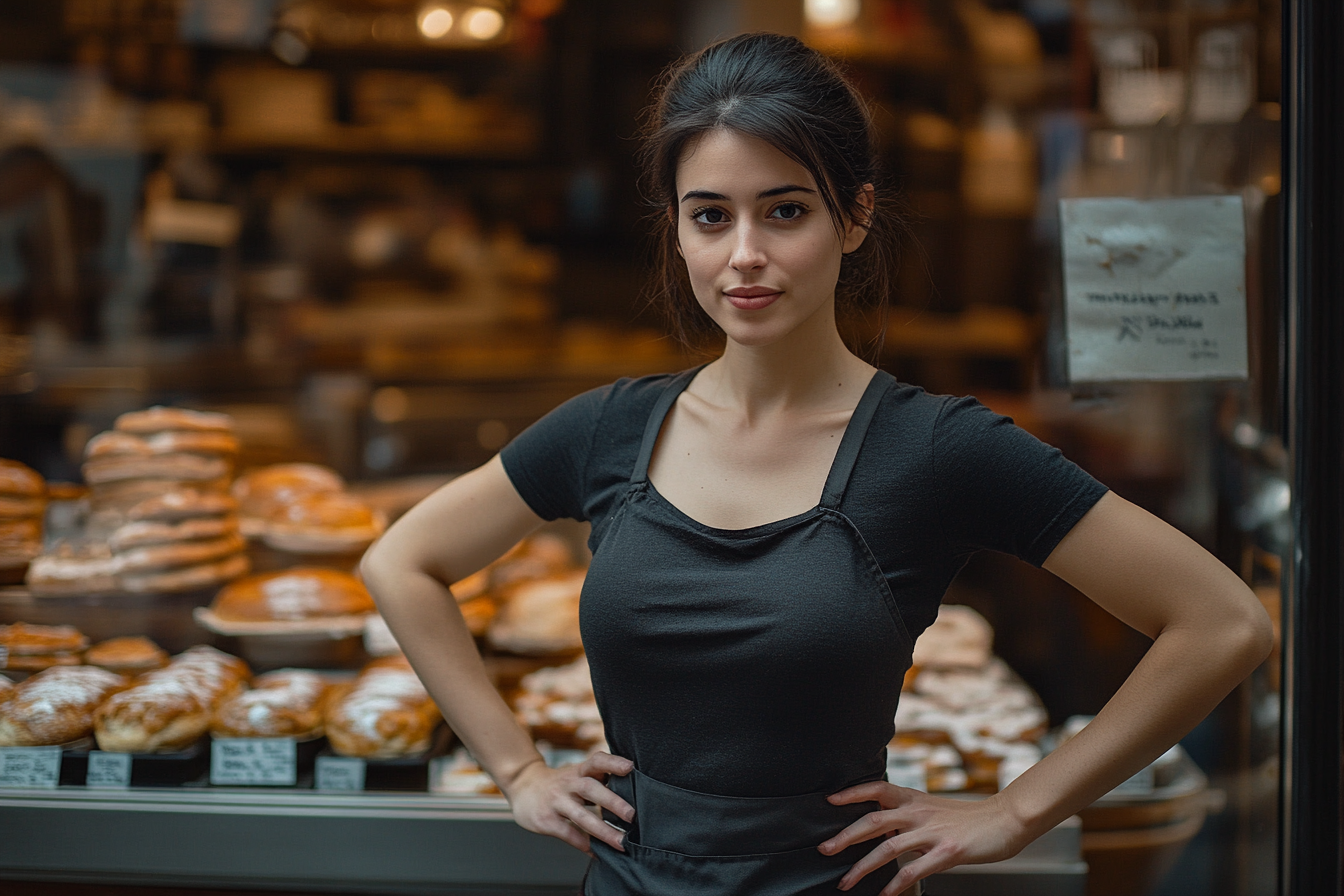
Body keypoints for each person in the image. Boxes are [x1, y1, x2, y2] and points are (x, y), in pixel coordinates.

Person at [361, 32, 1274, 896]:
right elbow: (402, 562)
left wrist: (1017, 812)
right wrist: (518, 771)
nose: (745, 256)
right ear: (676, 232)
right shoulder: (610, 429)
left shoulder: (937, 446)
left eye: (785, 210)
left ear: (855, 216)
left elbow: (1223, 622)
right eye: (709, 217)